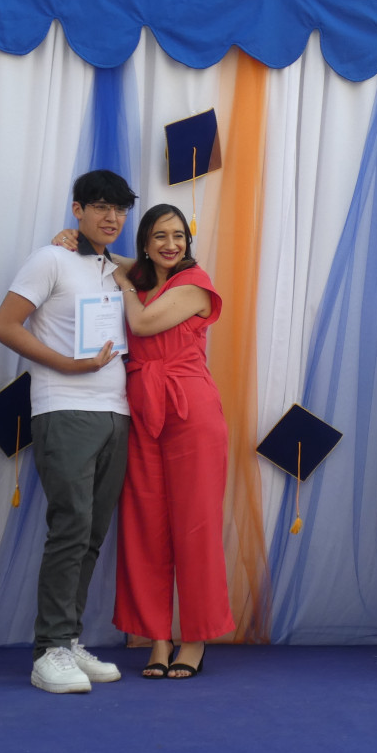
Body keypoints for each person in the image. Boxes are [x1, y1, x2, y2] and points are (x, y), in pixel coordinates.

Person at [0, 169, 136, 694]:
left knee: (92, 533)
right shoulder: (50, 259)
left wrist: (102, 252)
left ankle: (68, 639)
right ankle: (48, 650)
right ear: (77, 210)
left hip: (117, 412)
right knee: (71, 526)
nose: (112, 218)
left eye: (120, 210)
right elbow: (4, 325)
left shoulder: (115, 270)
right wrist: (67, 365)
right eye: (100, 207)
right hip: (65, 408)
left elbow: (157, 266)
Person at [109, 204, 232, 679]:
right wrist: (75, 240)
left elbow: (141, 324)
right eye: (160, 235)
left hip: (190, 409)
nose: (171, 244)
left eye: (179, 235)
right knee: (143, 524)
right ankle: (157, 638)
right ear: (145, 242)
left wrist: (123, 282)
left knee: (195, 526)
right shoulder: (143, 279)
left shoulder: (194, 283)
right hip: (142, 409)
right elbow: (118, 261)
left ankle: (195, 639)